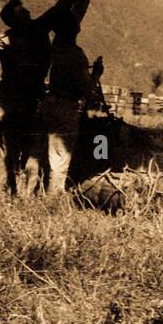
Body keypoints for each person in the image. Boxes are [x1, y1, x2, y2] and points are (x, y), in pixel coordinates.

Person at [0, 0, 105, 195]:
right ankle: (14, 194)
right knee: (18, 151)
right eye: (23, 12)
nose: (29, 13)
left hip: (26, 101)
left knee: (18, 151)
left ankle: (10, 194)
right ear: (14, 19)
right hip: (20, 101)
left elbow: (64, 4)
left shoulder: (15, 35)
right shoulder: (30, 32)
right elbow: (63, 6)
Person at [42, 16, 104, 194]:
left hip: (50, 103)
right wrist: (97, 74)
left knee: (47, 151)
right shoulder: (76, 55)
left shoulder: (56, 50)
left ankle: (38, 187)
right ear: (76, 30)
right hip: (66, 106)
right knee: (61, 154)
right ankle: (54, 195)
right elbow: (86, 89)